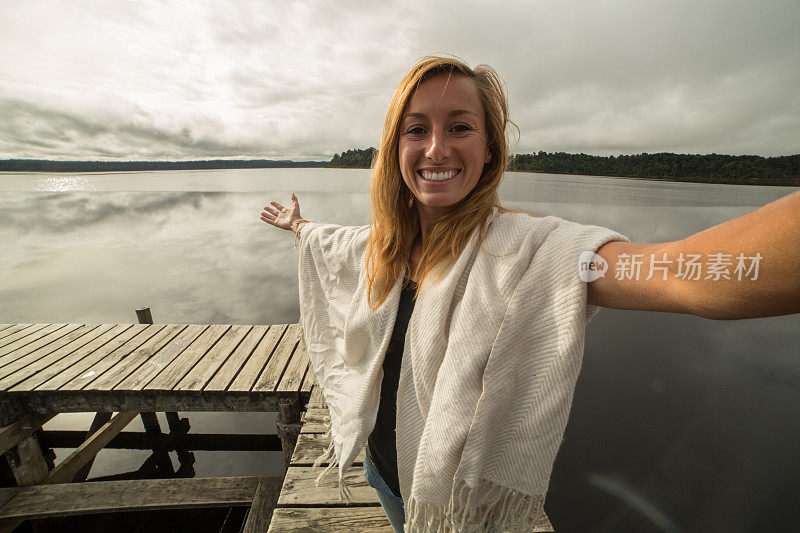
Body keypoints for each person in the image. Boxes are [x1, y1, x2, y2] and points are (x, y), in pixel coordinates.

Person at [261, 56, 800, 532]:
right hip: (382, 468)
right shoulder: (380, 248)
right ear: (393, 147)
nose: (436, 148)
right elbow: (331, 241)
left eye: (460, 127)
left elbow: (680, 272)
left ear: (491, 148)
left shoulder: (531, 252)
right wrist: (298, 224)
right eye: (415, 129)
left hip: (452, 498)